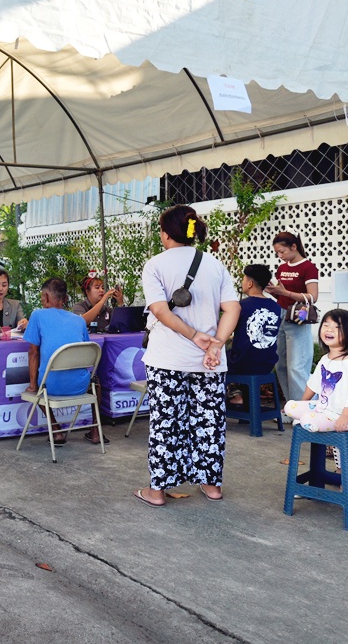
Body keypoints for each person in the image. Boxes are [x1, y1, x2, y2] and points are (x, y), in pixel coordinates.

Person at [134, 205, 240, 508]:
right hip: (210, 361)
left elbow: (159, 310)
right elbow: (232, 308)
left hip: (167, 359)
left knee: (167, 423)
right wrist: (216, 343)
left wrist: (194, 336)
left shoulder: (155, 265)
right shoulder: (215, 264)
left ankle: (157, 492)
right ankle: (212, 486)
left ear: (166, 234)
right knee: (209, 422)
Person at [23, 277, 104, 445]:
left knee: (38, 387)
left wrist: (33, 385)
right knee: (96, 382)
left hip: (50, 386)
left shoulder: (37, 315)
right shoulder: (79, 320)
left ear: (45, 297)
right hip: (79, 386)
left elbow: (33, 353)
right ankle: (95, 431)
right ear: (66, 299)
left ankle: (56, 429)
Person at [283, 309, 348, 432]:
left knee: (306, 420)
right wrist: (303, 404)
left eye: (337, 327)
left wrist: (345, 416)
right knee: (290, 407)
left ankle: (329, 440)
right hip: (324, 408)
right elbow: (313, 385)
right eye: (326, 325)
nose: (329, 329)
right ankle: (312, 418)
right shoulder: (325, 359)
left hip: (344, 417)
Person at [264, 232, 319, 406]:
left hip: (298, 317)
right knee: (280, 365)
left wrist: (285, 292)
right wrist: (274, 292)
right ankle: (291, 406)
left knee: (297, 366)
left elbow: (313, 297)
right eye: (277, 253)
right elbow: (282, 296)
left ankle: (307, 407)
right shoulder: (282, 268)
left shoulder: (308, 267)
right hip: (281, 315)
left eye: (282, 252)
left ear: (294, 247)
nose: (280, 256)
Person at [227, 264, 282, 375]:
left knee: (217, 354)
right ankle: (242, 389)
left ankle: (233, 389)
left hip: (241, 363)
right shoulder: (276, 306)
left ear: (250, 283)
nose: (242, 282)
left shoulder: (241, 305)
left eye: (243, 279)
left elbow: (227, 330)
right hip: (267, 364)